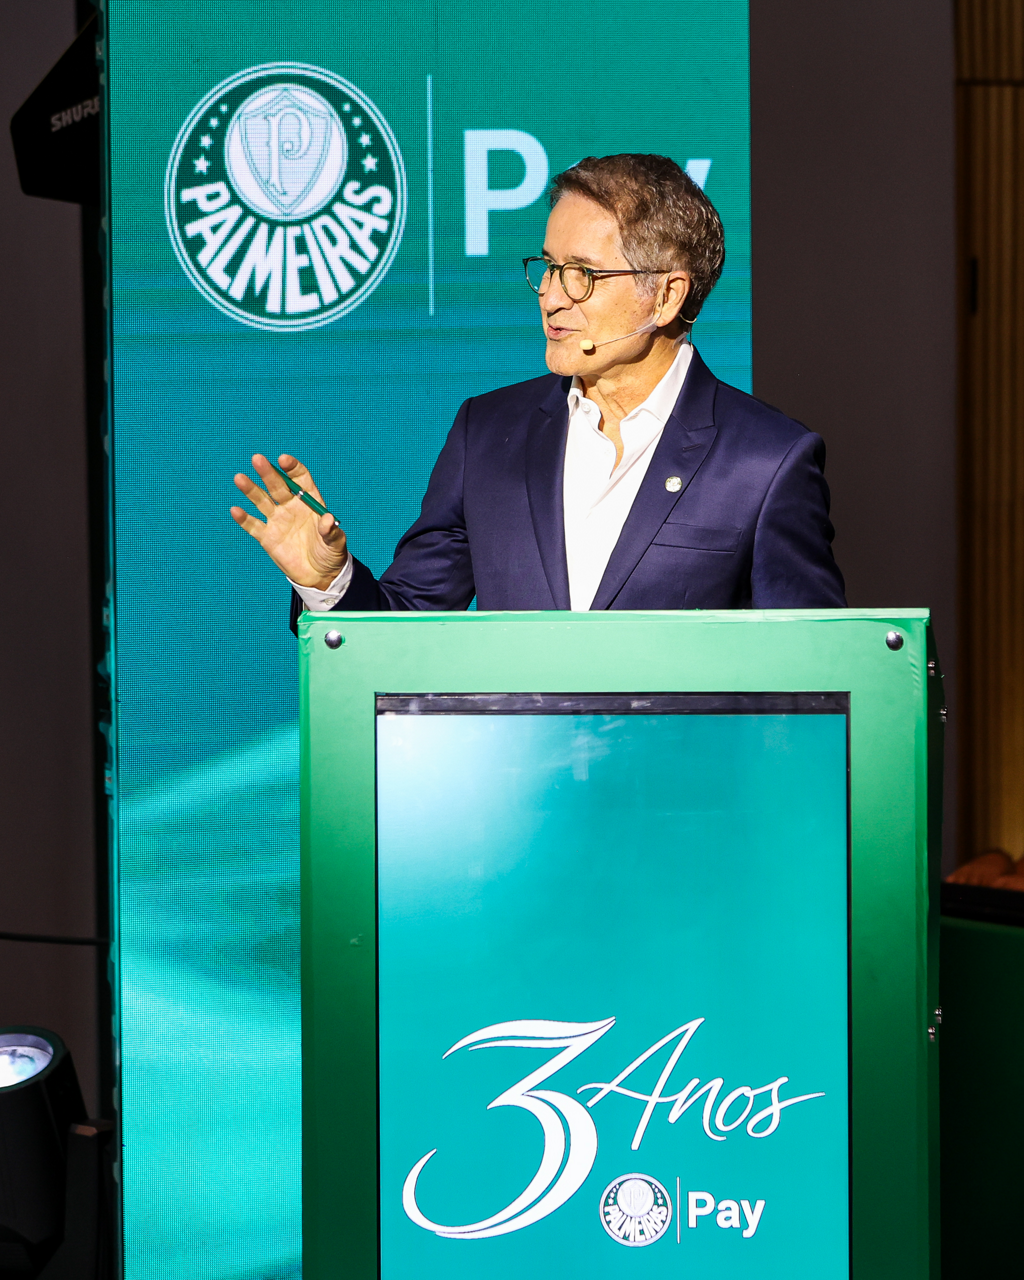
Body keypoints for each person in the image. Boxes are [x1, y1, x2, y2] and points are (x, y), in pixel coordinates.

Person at [230, 154, 846, 615]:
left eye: (582, 274)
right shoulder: (486, 433)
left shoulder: (767, 461)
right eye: (549, 267)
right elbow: (404, 630)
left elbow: (810, 677)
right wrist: (327, 581)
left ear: (666, 295)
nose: (551, 295)